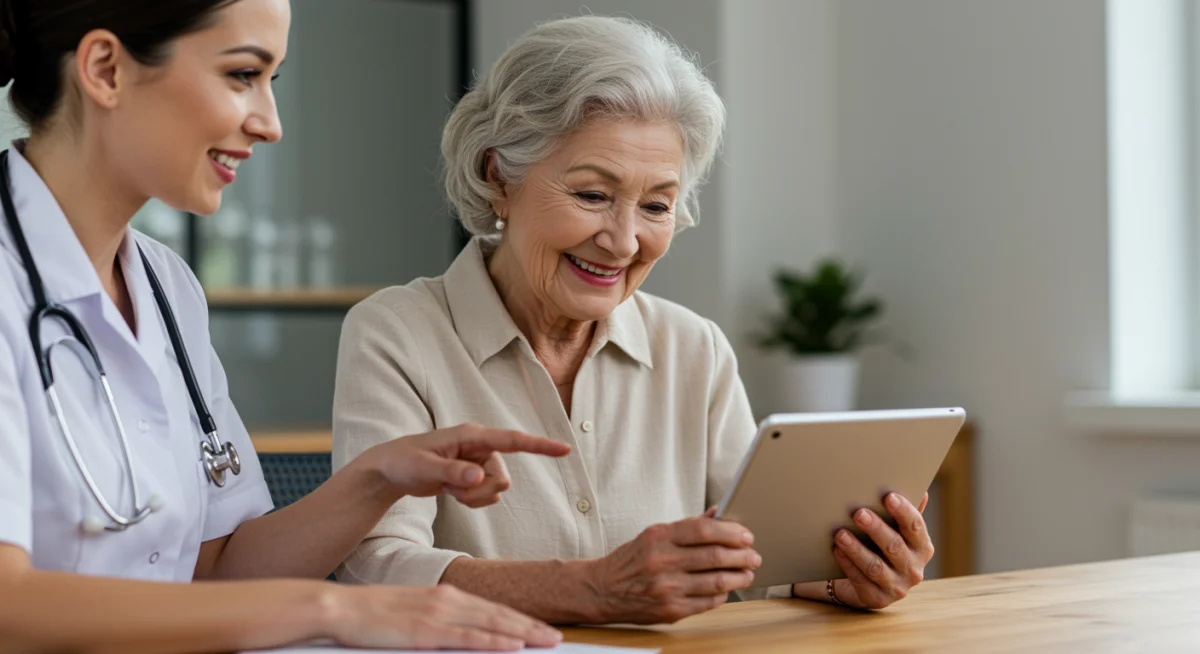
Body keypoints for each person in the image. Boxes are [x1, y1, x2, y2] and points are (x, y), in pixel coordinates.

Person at [0, 1, 571, 651]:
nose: (270, 124)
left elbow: (216, 574)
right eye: (243, 75)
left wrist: (376, 478)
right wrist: (330, 608)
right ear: (106, 70)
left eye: (274, 82)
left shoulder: (165, 286)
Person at [332, 14, 935, 626]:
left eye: (656, 206)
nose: (623, 243)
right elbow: (376, 566)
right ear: (498, 176)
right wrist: (591, 588)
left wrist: (847, 578)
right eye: (593, 195)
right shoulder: (397, 333)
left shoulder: (693, 347)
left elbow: (757, 560)